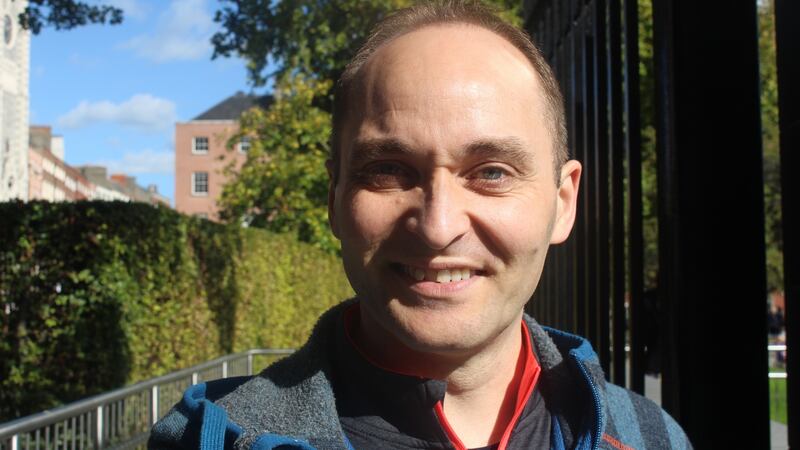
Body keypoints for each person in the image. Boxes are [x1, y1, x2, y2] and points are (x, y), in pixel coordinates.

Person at [149, 2, 691, 449]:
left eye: (492, 172)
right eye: (388, 170)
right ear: (334, 197)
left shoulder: (652, 437)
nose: (437, 226)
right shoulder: (205, 438)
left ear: (563, 202)